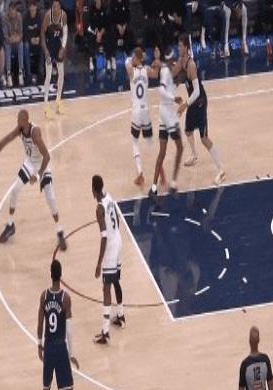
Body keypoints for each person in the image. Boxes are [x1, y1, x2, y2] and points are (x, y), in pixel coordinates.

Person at [0, 109, 67, 250]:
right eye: (17, 120)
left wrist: (38, 176)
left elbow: (47, 156)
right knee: (14, 190)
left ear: (25, 120)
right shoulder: (20, 129)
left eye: (19, 120)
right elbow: (5, 140)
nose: (17, 122)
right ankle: (10, 225)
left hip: (42, 165)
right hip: (30, 163)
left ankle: (59, 231)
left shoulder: (35, 133)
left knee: (51, 198)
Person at [36, 259, 79, 390]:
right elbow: (69, 330)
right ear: (60, 276)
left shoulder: (44, 296)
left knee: (45, 389)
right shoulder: (65, 298)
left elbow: (40, 323)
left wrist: (39, 345)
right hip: (60, 347)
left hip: (48, 347)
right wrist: (72, 354)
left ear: (50, 274)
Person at [177, 34, 226, 186]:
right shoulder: (181, 61)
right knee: (188, 131)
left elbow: (197, 91)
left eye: (180, 46)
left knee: (204, 138)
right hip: (192, 102)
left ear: (186, 47)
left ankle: (221, 170)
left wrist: (184, 105)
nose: (178, 48)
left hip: (199, 102)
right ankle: (194, 155)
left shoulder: (191, 65)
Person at [92, 175, 125, 345]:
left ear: (93, 190)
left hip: (111, 247)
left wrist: (99, 263)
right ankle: (120, 315)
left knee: (106, 288)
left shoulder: (99, 209)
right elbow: (117, 219)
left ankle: (105, 332)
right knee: (116, 280)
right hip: (119, 240)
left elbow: (104, 237)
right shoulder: (109, 197)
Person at [149, 46, 183, 196]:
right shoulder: (165, 71)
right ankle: (173, 183)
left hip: (163, 114)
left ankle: (153, 188)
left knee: (162, 152)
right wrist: (174, 98)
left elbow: (173, 82)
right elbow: (161, 91)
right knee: (180, 147)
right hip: (168, 114)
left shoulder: (167, 68)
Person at [125, 46, 160, 186]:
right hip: (146, 110)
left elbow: (127, 61)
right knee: (150, 142)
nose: (132, 58)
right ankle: (161, 172)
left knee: (134, 141)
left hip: (136, 111)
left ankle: (140, 173)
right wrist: (157, 59)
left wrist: (137, 58)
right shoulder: (147, 70)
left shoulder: (131, 70)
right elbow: (156, 74)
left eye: (134, 56)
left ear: (137, 58)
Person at [41, 0, 67, 117]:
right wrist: (46, 51)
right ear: (52, 7)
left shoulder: (63, 15)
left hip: (58, 45)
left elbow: (65, 34)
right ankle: (46, 104)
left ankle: (58, 101)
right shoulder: (48, 16)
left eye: (57, 6)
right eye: (54, 6)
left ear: (60, 7)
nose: (55, 8)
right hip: (49, 45)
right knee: (48, 74)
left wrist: (63, 48)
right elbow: (42, 34)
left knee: (61, 73)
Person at [3, 1, 24, 87]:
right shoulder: (5, 18)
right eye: (11, 13)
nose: (13, 14)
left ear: (16, 11)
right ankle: (8, 73)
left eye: (14, 12)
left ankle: (20, 72)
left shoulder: (19, 16)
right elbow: (5, 36)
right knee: (6, 45)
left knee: (21, 44)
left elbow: (21, 33)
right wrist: (11, 39)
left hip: (17, 41)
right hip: (9, 42)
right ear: (8, 11)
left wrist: (17, 38)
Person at [107, 0, 131, 71]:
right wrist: (118, 26)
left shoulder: (126, 2)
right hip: (115, 26)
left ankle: (128, 56)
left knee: (129, 34)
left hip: (124, 26)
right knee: (111, 35)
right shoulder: (112, 3)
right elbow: (110, 18)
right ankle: (112, 57)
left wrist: (124, 26)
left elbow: (128, 16)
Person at [23, 0, 43, 84]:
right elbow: (24, 33)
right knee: (26, 46)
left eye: (34, 6)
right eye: (30, 6)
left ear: (36, 7)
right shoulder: (25, 18)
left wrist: (39, 38)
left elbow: (42, 31)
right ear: (28, 8)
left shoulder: (39, 17)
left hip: (37, 41)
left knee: (43, 44)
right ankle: (28, 73)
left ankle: (41, 70)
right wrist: (30, 39)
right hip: (29, 41)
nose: (32, 8)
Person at [86, 0, 107, 73]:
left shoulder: (104, 9)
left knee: (109, 35)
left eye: (99, 2)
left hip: (102, 30)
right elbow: (90, 22)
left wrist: (101, 32)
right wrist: (97, 32)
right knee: (90, 37)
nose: (98, 4)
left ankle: (108, 58)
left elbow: (106, 22)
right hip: (93, 29)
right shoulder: (91, 9)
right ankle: (91, 59)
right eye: (97, 2)